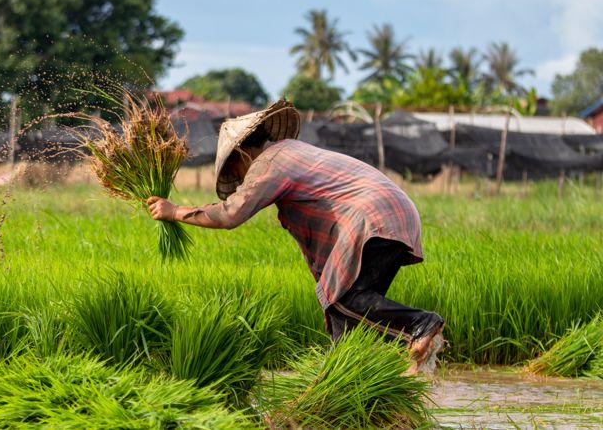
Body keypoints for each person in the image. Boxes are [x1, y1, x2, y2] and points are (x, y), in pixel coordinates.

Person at [148, 100, 445, 372]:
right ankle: (351, 385)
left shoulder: (270, 163)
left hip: (373, 217)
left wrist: (175, 212)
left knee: (345, 299)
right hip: (393, 213)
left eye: (235, 171)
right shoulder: (293, 154)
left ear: (241, 153)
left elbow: (230, 214)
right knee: (347, 321)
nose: (240, 180)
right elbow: (319, 248)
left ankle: (420, 323)